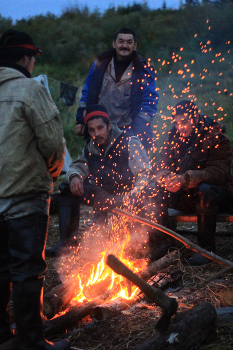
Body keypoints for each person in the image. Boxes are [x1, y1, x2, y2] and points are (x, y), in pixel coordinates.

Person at [0, 29, 70, 349]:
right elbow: (53, 144)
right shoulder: (29, 90)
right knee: (27, 271)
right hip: (25, 195)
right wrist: (52, 174)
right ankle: (30, 341)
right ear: (27, 58)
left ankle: (3, 335)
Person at [46, 104, 171, 258]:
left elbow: (144, 174)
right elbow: (78, 165)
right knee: (66, 187)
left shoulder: (129, 142)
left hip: (129, 196)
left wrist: (131, 197)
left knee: (152, 190)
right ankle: (66, 244)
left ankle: (159, 243)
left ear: (109, 126)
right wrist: (75, 176)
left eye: (100, 128)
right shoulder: (91, 147)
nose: (96, 134)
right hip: (103, 197)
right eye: (91, 130)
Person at [155, 100, 233, 265]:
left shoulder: (216, 137)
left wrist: (186, 179)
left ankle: (206, 249)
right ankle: (164, 242)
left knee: (205, 191)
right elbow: (162, 166)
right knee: (154, 189)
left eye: (184, 122)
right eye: (176, 123)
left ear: (196, 117)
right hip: (185, 195)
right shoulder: (173, 138)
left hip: (217, 197)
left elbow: (218, 173)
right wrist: (167, 178)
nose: (180, 127)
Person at [75, 28, 159, 150]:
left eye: (129, 42)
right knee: (96, 166)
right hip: (99, 129)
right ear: (114, 44)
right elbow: (87, 93)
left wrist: (136, 131)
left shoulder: (143, 70)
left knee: (127, 167)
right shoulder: (99, 65)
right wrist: (80, 120)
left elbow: (150, 102)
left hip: (128, 129)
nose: (124, 46)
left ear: (135, 45)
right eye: (121, 41)